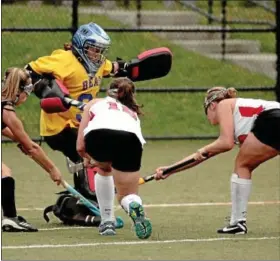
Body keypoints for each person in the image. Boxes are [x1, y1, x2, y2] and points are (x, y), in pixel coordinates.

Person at [25, 22, 128, 208]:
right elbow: (28, 71)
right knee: (86, 150)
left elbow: (113, 67)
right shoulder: (63, 60)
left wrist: (130, 67)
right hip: (58, 127)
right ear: (81, 46)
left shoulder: (98, 64)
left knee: (100, 146)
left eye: (100, 50)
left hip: (80, 124)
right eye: (93, 49)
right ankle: (86, 197)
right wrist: (44, 87)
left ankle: (83, 195)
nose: (97, 55)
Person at [155, 86, 280, 234]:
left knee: (243, 165)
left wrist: (203, 150)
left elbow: (226, 143)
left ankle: (237, 222)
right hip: (273, 121)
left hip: (272, 120)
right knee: (244, 164)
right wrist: (171, 169)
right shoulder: (239, 118)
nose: (207, 117)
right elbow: (205, 155)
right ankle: (237, 223)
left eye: (206, 111)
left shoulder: (223, 105)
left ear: (212, 105)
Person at [76, 77, 152, 239]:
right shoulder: (132, 114)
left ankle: (107, 221)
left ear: (108, 91)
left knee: (103, 170)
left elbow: (80, 147)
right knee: (126, 194)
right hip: (131, 140)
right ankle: (134, 204)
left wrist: (90, 159)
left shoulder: (94, 103)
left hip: (98, 135)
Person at [1, 67, 62, 232]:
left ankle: (10, 218)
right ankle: (11, 219)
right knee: (4, 174)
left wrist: (18, 139)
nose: (26, 97)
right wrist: (52, 169)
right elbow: (32, 147)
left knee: (4, 172)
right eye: (28, 92)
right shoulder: (6, 111)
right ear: (21, 91)